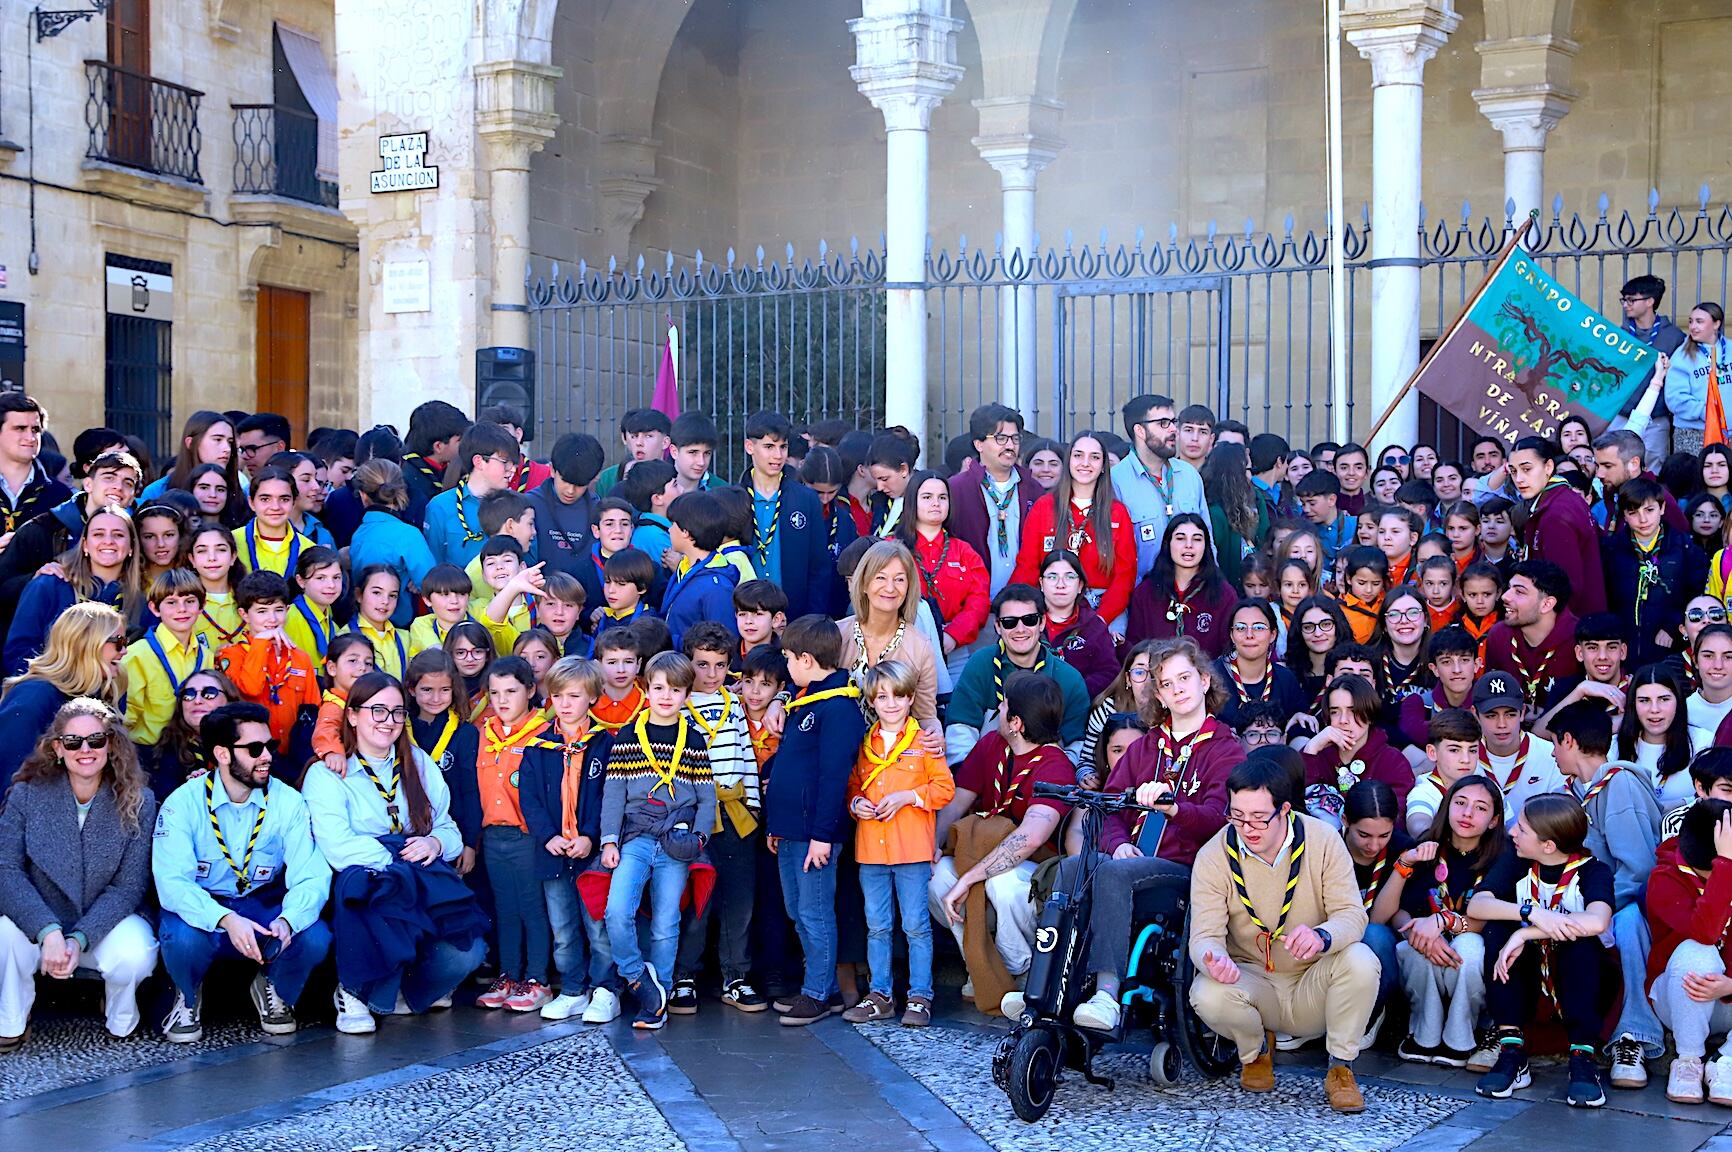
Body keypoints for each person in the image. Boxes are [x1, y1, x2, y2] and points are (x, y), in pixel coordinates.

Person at [1032, 639, 1247, 1031]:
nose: (1178, 688)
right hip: (1131, 862)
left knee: (1114, 875)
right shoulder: (1144, 747)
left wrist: (1173, 808)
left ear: (1203, 681)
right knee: (1071, 869)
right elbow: (1110, 808)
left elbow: (1219, 820)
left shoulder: (1226, 749)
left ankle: (1107, 995)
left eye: (1185, 678)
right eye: (1166, 683)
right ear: (1159, 695)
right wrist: (1118, 845)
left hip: (1184, 870)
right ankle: (1044, 983)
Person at [1186, 755, 1378, 1113]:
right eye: (1238, 817)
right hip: (1253, 981)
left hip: (1312, 979)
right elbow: (1204, 936)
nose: (1248, 828)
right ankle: (1255, 1051)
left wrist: (1323, 936)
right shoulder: (1214, 854)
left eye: (1260, 817)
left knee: (1362, 960)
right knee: (1205, 992)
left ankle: (1341, 1068)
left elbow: (1352, 914)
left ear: (1285, 810)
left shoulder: (1322, 839)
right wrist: (1213, 959)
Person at [153, 702, 333, 1042]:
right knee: (182, 937)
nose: (266, 756)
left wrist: (289, 920)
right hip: (205, 906)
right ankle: (187, 994)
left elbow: (311, 875)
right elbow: (172, 884)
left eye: (270, 746)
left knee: (314, 936)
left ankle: (274, 985)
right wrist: (224, 919)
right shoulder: (183, 803)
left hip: (261, 904)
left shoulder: (288, 801)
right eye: (254, 749)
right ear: (222, 754)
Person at [0, 699, 157, 1047]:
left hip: (104, 921)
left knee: (136, 953)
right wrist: (48, 930)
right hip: (39, 918)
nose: (84, 750)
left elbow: (128, 887)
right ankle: (11, 1018)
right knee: (3, 933)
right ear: (57, 748)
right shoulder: (26, 795)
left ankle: (119, 1012)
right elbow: (6, 870)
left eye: (95, 740)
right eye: (73, 742)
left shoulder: (139, 801)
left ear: (111, 744)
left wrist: (78, 938)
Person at [1468, 794, 1615, 1107]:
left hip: (1583, 980)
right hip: (1530, 978)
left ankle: (1582, 1056)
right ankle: (1512, 1051)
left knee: (1578, 941)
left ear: (1548, 845)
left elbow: (1597, 921)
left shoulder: (1592, 870)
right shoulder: (1517, 860)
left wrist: (1527, 934)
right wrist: (1530, 914)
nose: (1511, 833)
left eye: (1521, 829)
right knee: (1498, 931)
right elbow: (1478, 904)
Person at [1550, 699, 1663, 1089]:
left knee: (1627, 923)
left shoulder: (1619, 786)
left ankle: (1634, 1036)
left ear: (1569, 740)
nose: (1551, 752)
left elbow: (1639, 869)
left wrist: (1594, 913)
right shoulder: (1578, 790)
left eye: (1554, 742)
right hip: (1592, 904)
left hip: (1633, 910)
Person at [600, 650, 716, 1031]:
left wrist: (699, 835)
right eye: (660, 688)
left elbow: (705, 795)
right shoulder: (630, 736)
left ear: (686, 694)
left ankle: (660, 997)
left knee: (667, 920)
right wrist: (609, 840)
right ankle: (636, 977)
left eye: (677, 689)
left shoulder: (694, 740)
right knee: (617, 910)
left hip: (677, 840)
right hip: (635, 837)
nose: (667, 696)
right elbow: (614, 794)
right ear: (646, 689)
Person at [842, 659, 954, 1027]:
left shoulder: (924, 741)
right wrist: (856, 803)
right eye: (883, 696)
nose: (891, 703)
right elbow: (855, 785)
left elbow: (945, 789)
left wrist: (908, 797)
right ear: (872, 700)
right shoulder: (863, 741)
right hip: (872, 848)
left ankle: (920, 995)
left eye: (899, 696)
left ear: (910, 699)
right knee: (877, 925)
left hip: (911, 849)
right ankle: (881, 994)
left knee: (916, 925)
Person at [1376, 774, 1510, 1067]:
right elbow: (1384, 915)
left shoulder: (1504, 855)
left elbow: (1492, 920)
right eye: (1460, 803)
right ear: (1446, 806)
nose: (1467, 813)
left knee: (1470, 945)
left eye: (1480, 808)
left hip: (1472, 957)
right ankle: (1424, 1034)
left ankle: (1461, 1036)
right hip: (1425, 956)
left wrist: (1443, 923)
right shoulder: (1427, 847)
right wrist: (1405, 866)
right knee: (1415, 948)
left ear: (1494, 820)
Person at [518, 655, 616, 1022]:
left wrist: (591, 835)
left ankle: (606, 988)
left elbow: (608, 796)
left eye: (574, 696)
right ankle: (573, 988)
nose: (566, 704)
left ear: (592, 697)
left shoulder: (605, 745)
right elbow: (528, 797)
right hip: (553, 851)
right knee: (562, 927)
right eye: (559, 696)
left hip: (590, 851)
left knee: (598, 925)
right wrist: (547, 836)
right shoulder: (538, 746)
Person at [670, 624, 762, 1014]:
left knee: (738, 900)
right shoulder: (677, 706)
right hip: (695, 817)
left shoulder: (735, 705)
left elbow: (747, 758)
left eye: (720, 665)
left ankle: (735, 977)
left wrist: (755, 807)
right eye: (702, 664)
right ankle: (684, 976)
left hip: (736, 812)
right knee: (695, 900)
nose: (711, 674)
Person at [1645, 799, 1732, 1105]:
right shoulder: (1665, 878)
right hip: (1680, 997)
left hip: (1728, 997)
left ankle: (1727, 1061)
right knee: (1696, 952)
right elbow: (1705, 932)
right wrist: (1726, 868)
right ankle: (1689, 1060)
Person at [943, 583, 1090, 762]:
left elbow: (1076, 745)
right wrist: (971, 778)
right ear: (997, 626)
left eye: (1029, 620)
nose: (1020, 629)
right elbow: (961, 729)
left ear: (1042, 622)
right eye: (1010, 622)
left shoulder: (1069, 678)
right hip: (985, 775)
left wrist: (1053, 779)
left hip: (1044, 779)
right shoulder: (980, 664)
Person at [0, 603, 126, 794]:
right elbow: (8, 786)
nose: (124, 651)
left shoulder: (99, 693)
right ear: (86, 644)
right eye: (118, 642)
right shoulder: (32, 699)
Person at [1014, 432, 1137, 626]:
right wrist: (1015, 604)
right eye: (1078, 455)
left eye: (1094, 457)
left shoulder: (1117, 512)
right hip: (1051, 607)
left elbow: (1125, 575)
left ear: (1103, 466)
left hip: (1104, 608)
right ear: (1068, 461)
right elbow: (1028, 565)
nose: (1085, 463)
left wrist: (1101, 619)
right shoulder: (1044, 507)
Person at [5, 504, 140, 677]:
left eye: (118, 535)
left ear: (131, 547)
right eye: (98, 534)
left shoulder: (141, 599)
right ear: (84, 545)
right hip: (52, 693)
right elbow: (19, 652)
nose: (108, 541)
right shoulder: (49, 585)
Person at [742, 411, 837, 620]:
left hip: (794, 616)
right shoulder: (735, 498)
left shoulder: (806, 499)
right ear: (750, 447)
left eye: (783, 447)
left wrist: (812, 620)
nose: (778, 456)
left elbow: (819, 567)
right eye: (769, 447)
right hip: (745, 616)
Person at [1605, 476, 1709, 667]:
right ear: (1625, 516)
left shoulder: (1685, 548)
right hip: (1625, 645)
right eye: (1633, 512)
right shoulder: (1612, 549)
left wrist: (1673, 626)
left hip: (1669, 644)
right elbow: (1606, 598)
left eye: (1650, 510)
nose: (1643, 519)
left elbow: (1696, 593)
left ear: (1662, 508)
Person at [948, 403, 1043, 597]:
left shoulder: (1033, 489)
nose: (1010, 446)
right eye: (1000, 438)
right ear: (979, 444)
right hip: (972, 602)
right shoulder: (956, 490)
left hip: (1023, 605)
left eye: (1015, 438)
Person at [897, 470, 990, 665]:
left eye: (942, 497)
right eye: (927, 497)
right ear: (912, 502)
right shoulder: (892, 549)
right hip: (903, 647)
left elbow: (979, 601)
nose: (936, 503)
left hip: (953, 648)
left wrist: (953, 635)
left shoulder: (965, 551)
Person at [1342, 779, 1409, 1045]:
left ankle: (1372, 1010)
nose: (1373, 846)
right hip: (1331, 939)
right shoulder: (1326, 846)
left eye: (1384, 835)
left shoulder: (1403, 849)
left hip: (1377, 950)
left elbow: (1379, 919)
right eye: (1364, 835)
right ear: (1346, 820)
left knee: (1374, 935)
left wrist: (1401, 868)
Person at [1508, 436, 1605, 616]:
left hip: (1570, 625)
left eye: (1527, 469)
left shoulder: (1556, 513)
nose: (1519, 478)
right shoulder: (1564, 498)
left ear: (1548, 467)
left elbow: (1566, 587)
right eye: (1513, 471)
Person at [1301, 674, 1415, 821]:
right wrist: (1311, 749)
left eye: (1353, 711)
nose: (1343, 720)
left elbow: (1393, 820)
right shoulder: (1315, 752)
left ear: (1370, 713)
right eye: (1335, 712)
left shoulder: (1392, 761)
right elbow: (1294, 807)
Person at [1126, 513, 1236, 656]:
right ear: (1167, 543)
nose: (1188, 545)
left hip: (1208, 676)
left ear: (1206, 546)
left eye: (1197, 539)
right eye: (1180, 538)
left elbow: (1230, 652)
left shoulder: (1224, 594)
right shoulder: (1145, 592)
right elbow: (1134, 649)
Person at [1482, 559, 1580, 715]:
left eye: (1519, 591)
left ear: (1547, 604)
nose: (1505, 597)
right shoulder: (1499, 635)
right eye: (1509, 588)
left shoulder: (1579, 640)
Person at [350, 460, 437, 628]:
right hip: (400, 625)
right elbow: (431, 586)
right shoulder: (408, 535)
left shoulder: (358, 535)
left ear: (363, 495)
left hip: (363, 623)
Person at [423, 422, 522, 568]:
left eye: (514, 463)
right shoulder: (441, 507)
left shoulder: (518, 506)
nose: (512, 470)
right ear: (479, 462)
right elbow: (433, 569)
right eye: (505, 462)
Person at [1617, 274, 1687, 464]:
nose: (1626, 304)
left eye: (1631, 299)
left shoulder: (1674, 336)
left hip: (1656, 418)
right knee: (1617, 465)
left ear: (1650, 301)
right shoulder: (1618, 335)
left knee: (1653, 466)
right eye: (1624, 299)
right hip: (1621, 413)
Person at [1214, 599, 1306, 734]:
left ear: (1273, 635)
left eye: (1259, 628)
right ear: (1232, 635)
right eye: (1240, 628)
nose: (1249, 635)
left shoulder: (1286, 679)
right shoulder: (1211, 677)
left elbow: (1299, 728)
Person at [1618, 665, 1697, 813]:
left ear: (1678, 701)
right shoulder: (1613, 748)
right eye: (1644, 700)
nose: (1654, 709)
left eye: (1664, 699)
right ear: (1632, 704)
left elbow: (1716, 797)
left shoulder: (1703, 743)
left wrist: (1679, 804)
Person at [1039, 550, 1118, 697]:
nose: (1060, 584)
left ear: (1080, 585)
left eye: (1069, 577)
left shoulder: (1095, 626)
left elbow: (1109, 672)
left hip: (1079, 706)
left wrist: (1073, 690)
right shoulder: (1026, 621)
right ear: (1041, 583)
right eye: (1052, 577)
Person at [1665, 303, 1731, 455]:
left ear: (1716, 324)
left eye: (1699, 321)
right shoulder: (1681, 355)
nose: (1693, 326)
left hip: (1728, 431)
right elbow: (1675, 398)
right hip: (1694, 433)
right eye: (1690, 321)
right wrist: (1707, 412)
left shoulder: (1730, 349)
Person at [1203, 441, 1270, 588]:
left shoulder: (1256, 498)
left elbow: (1265, 540)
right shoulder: (1214, 512)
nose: (1250, 476)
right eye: (1246, 470)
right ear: (1232, 473)